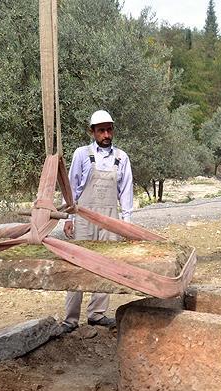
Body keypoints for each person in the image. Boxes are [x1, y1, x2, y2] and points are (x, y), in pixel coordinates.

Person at [61, 110, 133, 331]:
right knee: (78, 264)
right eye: (101, 130)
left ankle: (97, 314)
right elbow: (72, 189)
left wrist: (126, 225)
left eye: (109, 129)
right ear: (92, 132)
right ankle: (70, 319)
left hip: (110, 219)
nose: (106, 134)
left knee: (105, 265)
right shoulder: (82, 154)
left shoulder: (121, 157)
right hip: (84, 217)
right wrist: (69, 217)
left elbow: (126, 192)